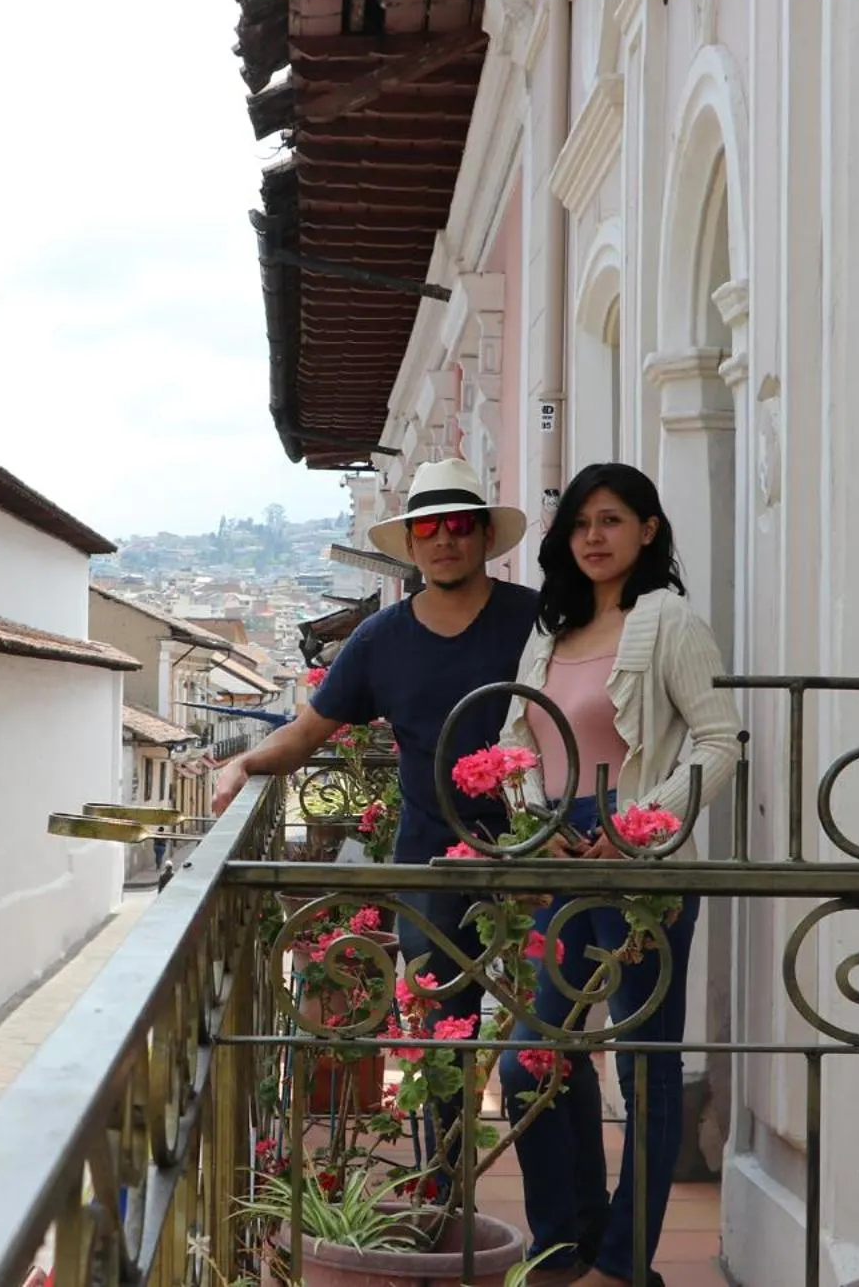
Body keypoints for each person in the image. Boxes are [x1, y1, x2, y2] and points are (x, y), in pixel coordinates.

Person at [207, 457, 537, 1198]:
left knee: (544, 1037)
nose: (444, 539)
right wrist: (244, 765)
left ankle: (565, 1223)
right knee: (442, 1035)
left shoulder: (534, 621)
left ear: (484, 535)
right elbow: (307, 733)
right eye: (429, 527)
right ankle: (444, 1193)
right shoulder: (382, 638)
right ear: (411, 543)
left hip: (533, 849)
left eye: (459, 525)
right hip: (428, 860)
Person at [493, 463, 741, 1287]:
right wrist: (535, 823)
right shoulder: (549, 629)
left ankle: (625, 1264)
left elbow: (719, 740)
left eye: (610, 519)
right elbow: (516, 740)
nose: (593, 536)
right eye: (579, 523)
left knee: (643, 1067)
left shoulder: (668, 620)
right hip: (558, 852)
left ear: (648, 529)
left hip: (639, 865)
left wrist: (641, 825)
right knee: (532, 1059)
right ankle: (565, 1241)